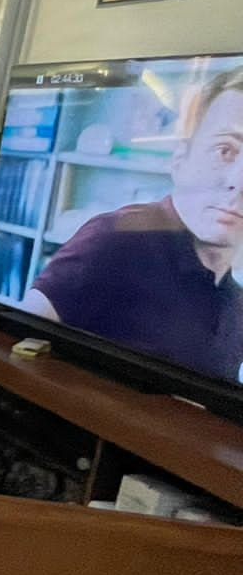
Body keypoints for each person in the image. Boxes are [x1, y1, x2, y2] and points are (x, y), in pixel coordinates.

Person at [21, 66, 243, 384]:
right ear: (180, 160)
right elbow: (12, 347)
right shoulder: (116, 240)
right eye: (225, 151)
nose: (239, 182)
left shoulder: (235, 300)